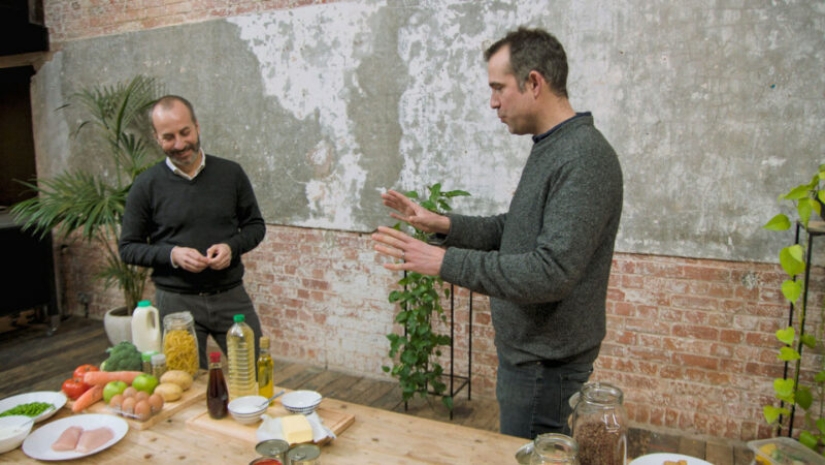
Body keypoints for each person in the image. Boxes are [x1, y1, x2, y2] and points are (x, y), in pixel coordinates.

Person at [372, 27, 623, 439]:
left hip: (545, 368)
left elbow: (551, 271)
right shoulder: (553, 146)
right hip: (532, 361)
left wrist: (443, 262)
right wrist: (443, 225)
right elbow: (516, 228)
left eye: (498, 88)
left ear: (534, 82)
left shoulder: (583, 157)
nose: (493, 102)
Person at [119, 95, 266, 370]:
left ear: (197, 126)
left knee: (256, 373)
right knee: (183, 384)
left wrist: (231, 247)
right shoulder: (145, 185)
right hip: (175, 305)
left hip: (231, 297)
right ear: (156, 137)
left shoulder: (231, 174)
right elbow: (128, 247)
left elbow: (255, 226)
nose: (179, 144)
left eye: (185, 132)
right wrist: (172, 254)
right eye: (168, 137)